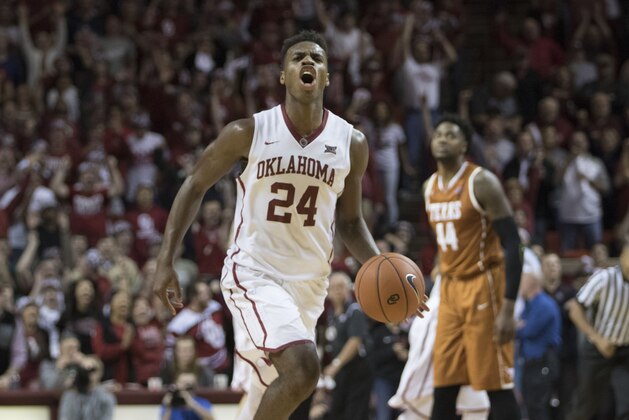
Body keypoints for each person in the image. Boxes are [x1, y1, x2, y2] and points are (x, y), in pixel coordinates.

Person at [153, 30, 415, 420]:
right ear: (283, 75)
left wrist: (383, 268)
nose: (308, 62)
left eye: (317, 58)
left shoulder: (351, 142)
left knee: (267, 396)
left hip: (310, 284)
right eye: (298, 58)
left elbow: (349, 220)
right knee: (304, 368)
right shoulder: (249, 131)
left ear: (326, 76)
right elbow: (194, 185)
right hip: (255, 271)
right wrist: (165, 260)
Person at [424, 114, 523, 419]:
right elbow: (447, 241)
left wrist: (508, 307)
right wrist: (439, 266)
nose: (442, 138)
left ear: (464, 145)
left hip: (484, 285)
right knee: (444, 384)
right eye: (439, 133)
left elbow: (513, 243)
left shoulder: (482, 182)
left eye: (451, 135)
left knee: (496, 385)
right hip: (450, 291)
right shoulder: (429, 187)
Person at [565, 243, 629, 420]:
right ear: (623, 256)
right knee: (585, 406)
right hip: (598, 348)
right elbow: (575, 309)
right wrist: (597, 339)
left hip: (625, 350)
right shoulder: (605, 278)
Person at [517, 268, 561, 420]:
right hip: (531, 364)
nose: (519, 285)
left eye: (522, 281)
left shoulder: (544, 304)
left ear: (532, 284)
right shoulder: (530, 304)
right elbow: (518, 327)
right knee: (530, 406)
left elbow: (528, 330)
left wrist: (521, 325)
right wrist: (520, 326)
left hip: (542, 362)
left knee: (537, 406)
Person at [58, 355, 116, 420]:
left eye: (92, 370)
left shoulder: (106, 396)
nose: (88, 374)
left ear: (100, 372)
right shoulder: (70, 395)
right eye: (84, 370)